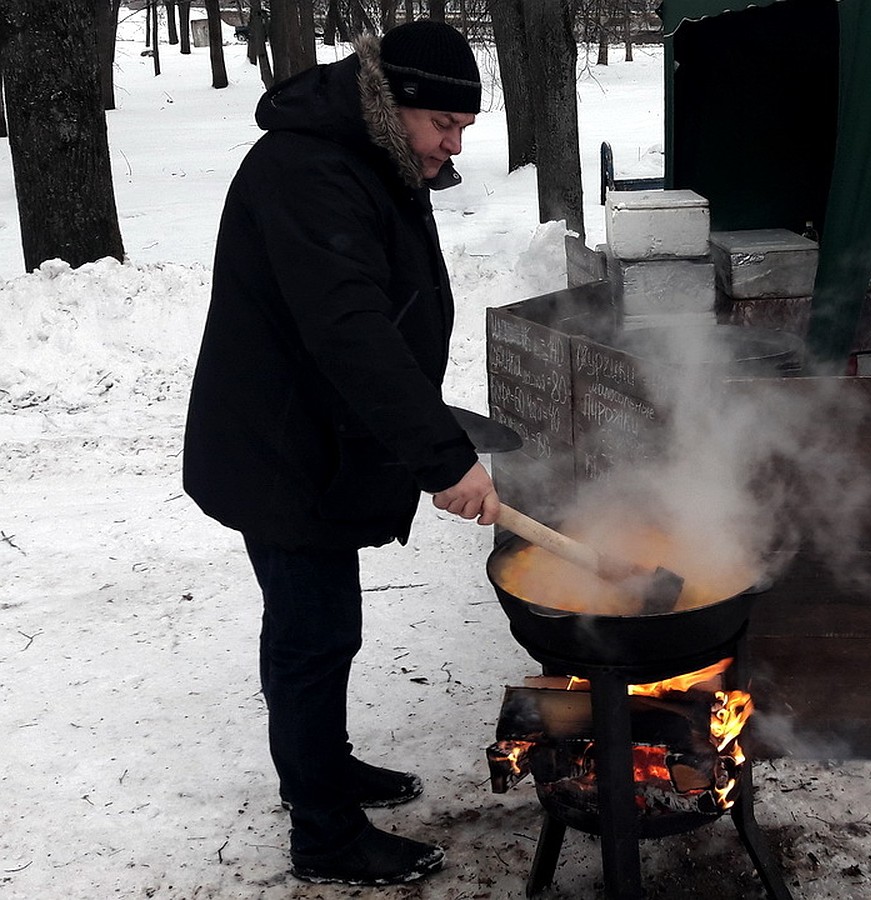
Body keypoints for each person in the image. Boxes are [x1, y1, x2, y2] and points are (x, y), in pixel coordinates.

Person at [182, 21, 499, 887]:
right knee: (312, 637)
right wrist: (442, 458)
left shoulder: (369, 157)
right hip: (280, 449)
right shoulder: (308, 170)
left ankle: (322, 770)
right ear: (389, 105)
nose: (452, 144)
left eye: (463, 129)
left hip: (311, 438)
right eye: (442, 123)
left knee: (318, 630)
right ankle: (323, 833)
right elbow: (351, 329)